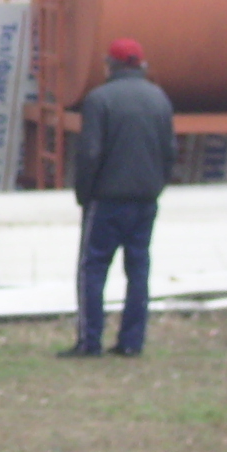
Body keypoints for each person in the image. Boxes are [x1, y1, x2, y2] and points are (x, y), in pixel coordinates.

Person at [62, 36, 176, 359]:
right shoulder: (159, 99)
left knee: (93, 268)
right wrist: (156, 185)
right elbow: (170, 152)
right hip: (145, 198)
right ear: (140, 65)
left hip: (107, 198)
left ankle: (90, 340)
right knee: (138, 268)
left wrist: (85, 194)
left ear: (110, 65)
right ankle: (131, 341)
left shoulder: (100, 100)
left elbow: (90, 154)